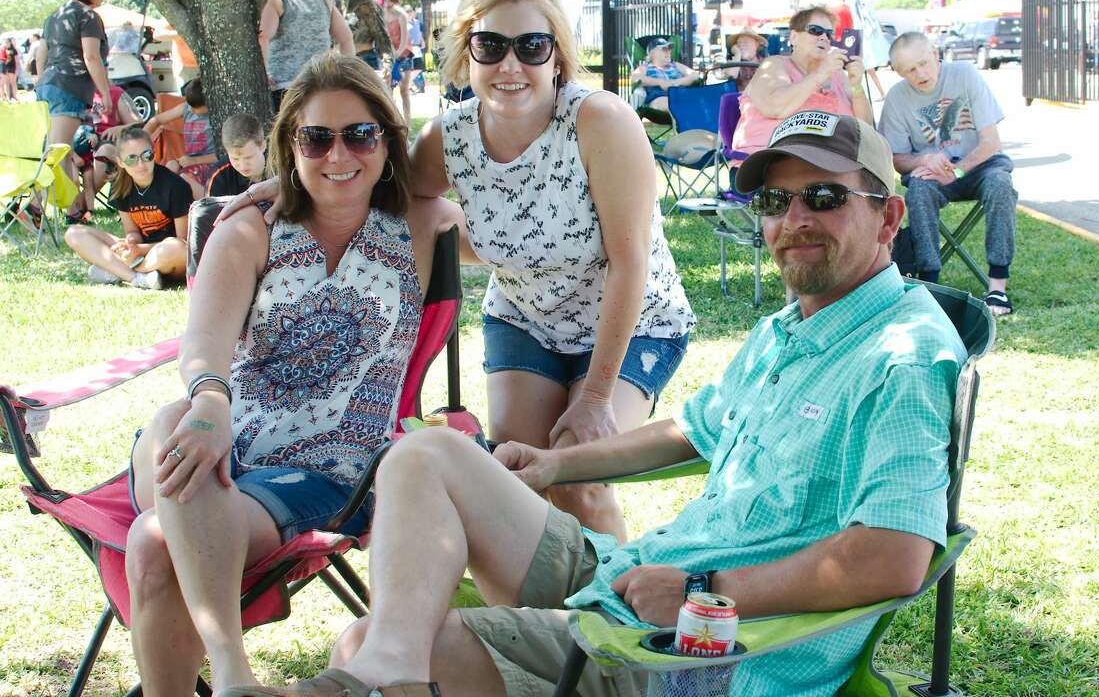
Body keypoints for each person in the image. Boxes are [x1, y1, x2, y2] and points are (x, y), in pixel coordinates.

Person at [225, 110, 967, 697]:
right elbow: (691, 431)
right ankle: (383, 670)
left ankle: (378, 672)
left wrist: (703, 590)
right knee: (423, 455)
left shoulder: (901, 359)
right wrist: (556, 466)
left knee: (376, 647)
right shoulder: (790, 330)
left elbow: (893, 557)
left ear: (889, 218)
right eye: (775, 200)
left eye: (825, 198)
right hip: (635, 576)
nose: (793, 219)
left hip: (695, 653)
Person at [221, 0, 696, 542]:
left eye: (532, 46)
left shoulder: (600, 123)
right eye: (490, 45)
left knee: (580, 478)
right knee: (514, 477)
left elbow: (629, 261)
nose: (510, 64)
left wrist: (594, 397)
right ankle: (543, 597)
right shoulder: (452, 138)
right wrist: (295, 179)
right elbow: (372, 179)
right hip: (527, 320)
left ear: (557, 58)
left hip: (634, 321)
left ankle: (610, 594)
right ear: (466, 55)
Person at [122, 53, 466, 695]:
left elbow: (517, 226)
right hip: (220, 434)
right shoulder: (251, 230)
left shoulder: (421, 225)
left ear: (387, 142)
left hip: (332, 469)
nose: (339, 154)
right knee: (175, 422)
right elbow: (204, 343)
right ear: (289, 145)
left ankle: (230, 677)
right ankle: (235, 679)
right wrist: (211, 400)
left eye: (360, 134)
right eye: (316, 138)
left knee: (151, 543)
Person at [880, 32, 1018, 316]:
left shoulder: (965, 75)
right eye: (910, 70)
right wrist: (924, 159)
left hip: (980, 165)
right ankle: (930, 284)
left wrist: (957, 170)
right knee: (918, 189)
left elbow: (991, 142)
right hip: (932, 172)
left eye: (923, 63)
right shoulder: (896, 98)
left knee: (1000, 184)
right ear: (898, 72)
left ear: (935, 53)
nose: (920, 74)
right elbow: (897, 158)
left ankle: (998, 286)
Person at [731, 6, 873, 155]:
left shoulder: (837, 74)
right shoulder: (774, 65)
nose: (824, 37)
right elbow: (775, 108)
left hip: (829, 158)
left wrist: (856, 86)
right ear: (794, 37)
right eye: (815, 30)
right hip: (771, 158)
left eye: (829, 34)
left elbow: (864, 127)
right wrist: (820, 74)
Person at [34, 0, 116, 224]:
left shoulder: (55, 15)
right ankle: (35, 205)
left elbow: (41, 55)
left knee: (62, 150)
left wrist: (43, 81)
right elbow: (91, 56)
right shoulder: (88, 16)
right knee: (57, 151)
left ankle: (73, 209)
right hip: (69, 86)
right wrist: (105, 92)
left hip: (49, 85)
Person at [64, 127, 191, 290]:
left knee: (175, 247)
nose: (141, 164)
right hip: (139, 251)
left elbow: (183, 242)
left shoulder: (175, 186)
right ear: (120, 162)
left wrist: (138, 250)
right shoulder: (121, 187)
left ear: (154, 154)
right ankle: (136, 278)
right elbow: (132, 232)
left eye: (147, 155)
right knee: (74, 233)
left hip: (166, 255)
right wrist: (130, 243)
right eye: (132, 159)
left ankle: (118, 270)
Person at [259, 0, 354, 110]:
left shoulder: (277, 1)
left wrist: (262, 74)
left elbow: (263, 36)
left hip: (286, 86)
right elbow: (346, 39)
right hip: (321, 85)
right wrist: (346, 74)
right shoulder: (324, 2)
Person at [69, 83, 142, 221]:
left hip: (106, 142)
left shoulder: (115, 93)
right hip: (79, 145)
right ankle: (74, 208)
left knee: (104, 152)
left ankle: (81, 207)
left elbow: (138, 124)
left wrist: (120, 128)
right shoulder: (77, 93)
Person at [145, 78, 220, 199]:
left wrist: (194, 161)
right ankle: (160, 202)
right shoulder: (186, 108)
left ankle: (209, 205)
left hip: (208, 162)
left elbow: (222, 155)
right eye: (189, 105)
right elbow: (157, 120)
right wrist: (142, 138)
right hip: (187, 161)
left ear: (209, 103)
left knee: (185, 178)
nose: (191, 110)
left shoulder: (217, 116)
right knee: (170, 167)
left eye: (196, 107)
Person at [329, 0, 393, 78]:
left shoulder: (366, 3)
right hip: (337, 65)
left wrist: (387, 65)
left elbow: (382, 38)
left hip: (363, 62)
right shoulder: (330, 3)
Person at [631, 37, 702, 111]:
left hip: (681, 95)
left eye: (669, 49)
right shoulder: (645, 68)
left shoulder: (675, 65)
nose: (669, 51)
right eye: (664, 49)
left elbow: (695, 75)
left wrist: (677, 82)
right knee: (671, 104)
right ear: (652, 53)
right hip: (659, 97)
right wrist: (660, 82)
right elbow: (634, 78)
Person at [208, 114, 268, 198]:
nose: (243, 166)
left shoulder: (282, 163)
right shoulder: (219, 175)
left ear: (263, 146)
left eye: (249, 157)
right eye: (235, 159)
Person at [384, 0, 413, 123]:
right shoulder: (383, 16)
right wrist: (391, 54)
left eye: (389, 0)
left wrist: (398, 53)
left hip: (404, 55)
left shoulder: (401, 15)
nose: (387, 3)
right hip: (390, 56)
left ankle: (407, 121)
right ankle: (394, 120)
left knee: (404, 91)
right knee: (389, 89)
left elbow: (405, 38)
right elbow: (386, 38)